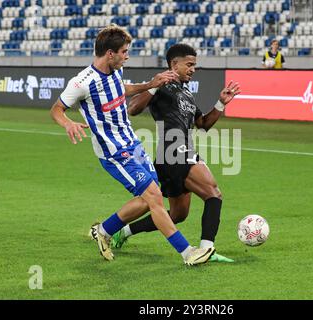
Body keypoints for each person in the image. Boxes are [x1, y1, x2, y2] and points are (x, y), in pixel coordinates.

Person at [50, 25, 215, 266]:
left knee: (150, 197)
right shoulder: (81, 82)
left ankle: (104, 231)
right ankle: (187, 252)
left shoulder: (116, 71)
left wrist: (150, 84)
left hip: (132, 143)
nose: (127, 56)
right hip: (114, 151)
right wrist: (67, 123)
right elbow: (56, 109)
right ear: (110, 53)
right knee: (153, 197)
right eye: (124, 51)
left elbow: (122, 89)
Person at [91, 43, 240, 262]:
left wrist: (220, 103)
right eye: (189, 65)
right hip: (175, 150)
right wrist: (153, 86)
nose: (193, 69)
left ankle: (123, 231)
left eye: (195, 66)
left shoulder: (187, 93)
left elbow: (203, 123)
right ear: (174, 64)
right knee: (213, 194)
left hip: (173, 155)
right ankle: (207, 248)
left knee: (178, 214)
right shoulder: (162, 84)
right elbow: (133, 108)